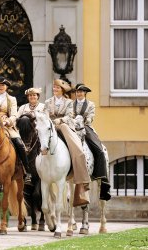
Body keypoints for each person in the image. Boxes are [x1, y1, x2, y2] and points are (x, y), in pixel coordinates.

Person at [44, 79, 91, 207]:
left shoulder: (69, 102)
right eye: (54, 87)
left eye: (57, 88)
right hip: (50, 127)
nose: (55, 89)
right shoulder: (48, 102)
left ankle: (81, 177)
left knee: (78, 150)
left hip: (63, 126)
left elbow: (70, 115)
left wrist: (59, 121)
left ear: (62, 90)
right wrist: (48, 121)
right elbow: (45, 114)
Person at [0, 76, 32, 185]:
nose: (1, 87)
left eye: (3, 85)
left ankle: (26, 171)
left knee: (19, 143)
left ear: (6, 86)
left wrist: (7, 121)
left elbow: (14, 114)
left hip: (6, 126)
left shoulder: (12, 99)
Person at [73, 83, 111, 201]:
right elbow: (68, 114)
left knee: (99, 149)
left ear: (85, 93)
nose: (79, 93)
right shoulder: (71, 104)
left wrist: (84, 121)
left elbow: (91, 116)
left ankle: (101, 176)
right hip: (72, 127)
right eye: (77, 91)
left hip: (86, 127)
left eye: (81, 91)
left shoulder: (90, 104)